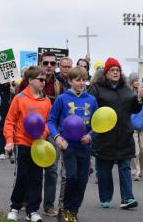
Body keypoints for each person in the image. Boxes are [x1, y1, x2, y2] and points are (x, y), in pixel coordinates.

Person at [88, 57, 143, 210]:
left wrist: (139, 101)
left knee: (125, 167)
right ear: (105, 73)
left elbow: (134, 109)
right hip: (104, 136)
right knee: (104, 169)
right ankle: (105, 197)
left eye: (117, 70)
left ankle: (127, 198)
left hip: (124, 134)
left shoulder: (126, 88)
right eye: (112, 70)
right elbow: (90, 109)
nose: (115, 72)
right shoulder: (96, 88)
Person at [17, 52, 65, 216]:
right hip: (29, 133)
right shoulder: (27, 82)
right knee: (28, 169)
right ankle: (26, 200)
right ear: (41, 63)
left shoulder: (60, 84)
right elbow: (17, 106)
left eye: (53, 63)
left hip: (51, 130)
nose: (49, 66)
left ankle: (49, 205)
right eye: (46, 63)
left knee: (51, 169)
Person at [48, 66, 98, 222]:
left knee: (82, 180)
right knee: (71, 177)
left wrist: (91, 136)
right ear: (69, 81)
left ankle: (73, 211)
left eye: (84, 80)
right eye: (77, 80)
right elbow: (50, 121)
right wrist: (57, 138)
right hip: (68, 146)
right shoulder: (62, 99)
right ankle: (64, 210)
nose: (81, 83)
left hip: (85, 147)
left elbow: (97, 123)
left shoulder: (91, 99)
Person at [4, 66, 52, 222]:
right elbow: (10, 121)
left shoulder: (46, 101)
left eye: (45, 80)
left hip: (39, 145)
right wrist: (9, 140)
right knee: (22, 176)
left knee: (37, 177)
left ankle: (33, 210)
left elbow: (47, 122)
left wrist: (43, 135)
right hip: (22, 142)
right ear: (30, 80)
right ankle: (15, 207)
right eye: (41, 79)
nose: (44, 82)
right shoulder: (19, 98)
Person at [0, 82, 15, 160]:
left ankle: (10, 151)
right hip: (1, 112)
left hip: (11, 113)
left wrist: (14, 92)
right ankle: (2, 151)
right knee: (1, 131)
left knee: (11, 132)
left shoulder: (13, 86)